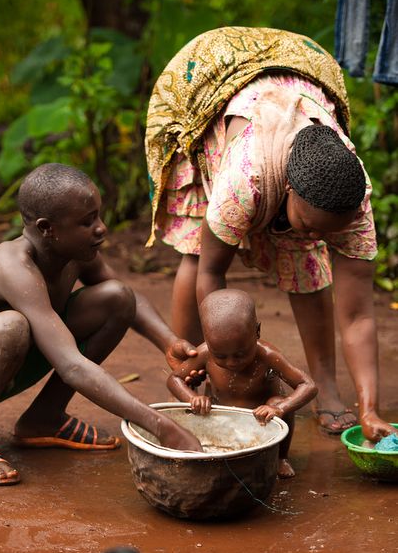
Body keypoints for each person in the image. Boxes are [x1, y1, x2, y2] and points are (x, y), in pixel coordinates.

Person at [145, 26, 395, 441]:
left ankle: (328, 390)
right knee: (196, 254)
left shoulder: (353, 198)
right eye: (313, 224)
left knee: (309, 264)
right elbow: (212, 276)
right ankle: (187, 378)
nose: (319, 235)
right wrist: (217, 365)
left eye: (331, 229)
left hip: (296, 83)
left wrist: (369, 409)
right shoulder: (243, 181)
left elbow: (359, 314)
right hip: (210, 86)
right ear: (289, 190)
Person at [0, 163, 204, 486]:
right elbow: (71, 365)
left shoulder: (74, 251)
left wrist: (169, 342)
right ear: (47, 229)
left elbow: (130, 301)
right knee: (11, 328)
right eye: (87, 222)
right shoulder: (13, 267)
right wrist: (161, 425)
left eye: (99, 216)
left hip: (2, 359)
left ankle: (43, 419)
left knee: (118, 298)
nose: (101, 228)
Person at [167, 289, 317, 478]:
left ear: (257, 332)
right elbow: (174, 379)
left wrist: (280, 408)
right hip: (221, 415)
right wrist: (193, 398)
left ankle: (280, 458)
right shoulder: (205, 353)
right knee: (199, 409)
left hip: (262, 419)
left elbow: (308, 385)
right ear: (207, 340)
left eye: (240, 354)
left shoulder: (268, 356)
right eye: (220, 355)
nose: (231, 363)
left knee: (276, 401)